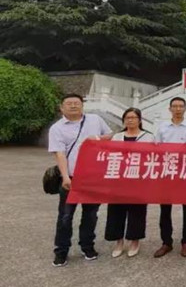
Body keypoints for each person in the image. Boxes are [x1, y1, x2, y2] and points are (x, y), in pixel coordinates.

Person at [48, 93, 112, 267]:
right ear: (62, 107)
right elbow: (59, 153)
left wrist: (96, 138)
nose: (73, 105)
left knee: (90, 215)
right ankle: (61, 251)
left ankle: (87, 246)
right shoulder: (57, 128)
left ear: (82, 105)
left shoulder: (95, 120)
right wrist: (65, 177)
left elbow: (109, 135)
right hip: (71, 178)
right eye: (69, 103)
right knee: (65, 216)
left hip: (93, 178)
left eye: (76, 103)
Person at [153, 97, 186, 258]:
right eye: (175, 106)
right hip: (167, 171)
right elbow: (157, 149)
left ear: (185, 109)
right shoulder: (162, 127)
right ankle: (166, 242)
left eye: (181, 106)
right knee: (165, 209)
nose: (178, 109)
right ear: (170, 109)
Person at [105, 108, 155, 258]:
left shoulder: (149, 137)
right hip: (118, 180)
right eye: (127, 118)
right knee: (116, 211)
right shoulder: (117, 137)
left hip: (139, 180)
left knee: (137, 212)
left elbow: (153, 157)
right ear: (123, 120)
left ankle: (134, 241)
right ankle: (119, 242)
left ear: (139, 120)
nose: (130, 120)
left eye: (133, 117)